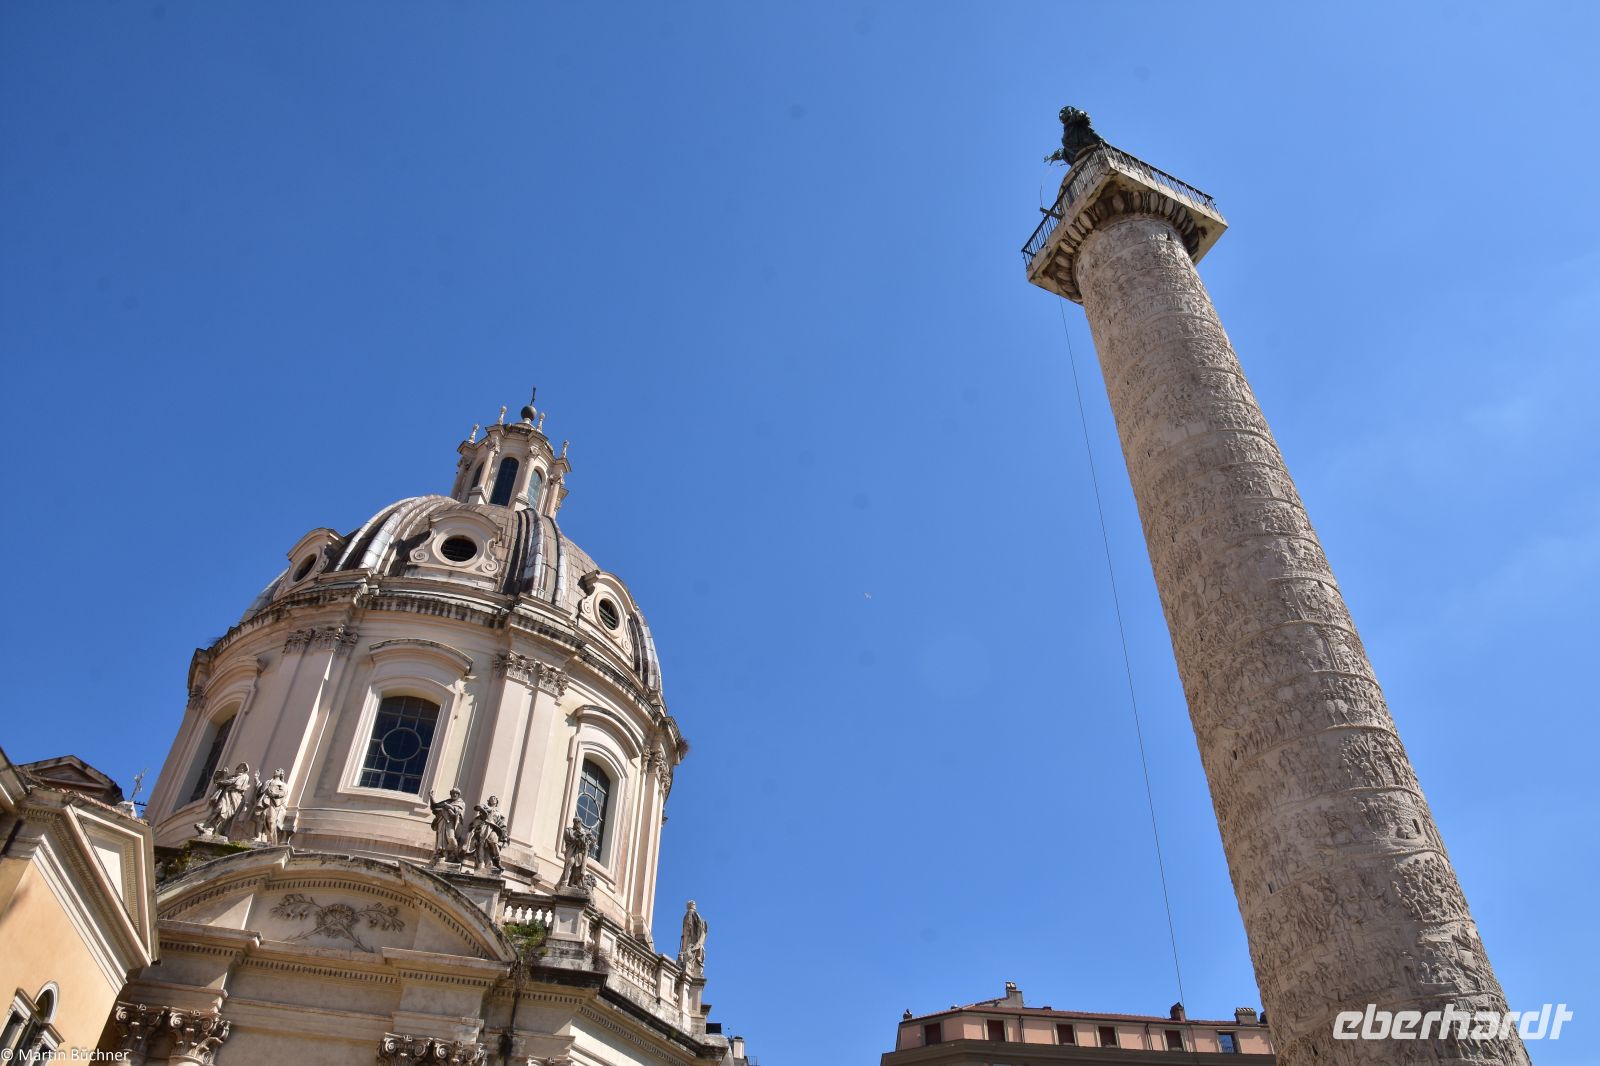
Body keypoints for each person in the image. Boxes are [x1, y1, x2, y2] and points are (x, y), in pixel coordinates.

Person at [195, 762, 251, 839]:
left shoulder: (245, 777)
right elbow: (229, 780)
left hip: (235, 798)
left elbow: (235, 783)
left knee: (225, 813)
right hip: (227, 795)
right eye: (239, 767)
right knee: (218, 808)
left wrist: (222, 782)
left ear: (245, 770)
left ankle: (216, 830)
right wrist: (224, 774)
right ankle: (208, 826)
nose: (240, 769)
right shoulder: (233, 777)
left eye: (242, 768)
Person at [464, 795, 507, 872]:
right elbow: (477, 807)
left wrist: (504, 835)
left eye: (494, 798)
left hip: (493, 828)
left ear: (496, 802)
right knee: (481, 843)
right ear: (489, 800)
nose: (493, 799)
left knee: (493, 842)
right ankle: (482, 863)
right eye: (491, 798)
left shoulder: (498, 813)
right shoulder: (485, 806)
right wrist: (483, 810)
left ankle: (497, 860)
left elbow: (502, 824)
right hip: (484, 826)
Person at [425, 787, 466, 864]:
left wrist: (449, 807)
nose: (454, 794)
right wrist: (431, 797)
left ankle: (453, 855)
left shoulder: (461, 803)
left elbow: (459, 813)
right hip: (442, 821)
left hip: (451, 823)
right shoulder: (447, 801)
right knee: (441, 838)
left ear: (458, 795)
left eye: (456, 793)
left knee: (451, 837)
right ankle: (443, 854)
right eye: (453, 793)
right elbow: (434, 806)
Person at [252, 768, 290, 845]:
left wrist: (274, 794)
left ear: (281, 773)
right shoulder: (268, 781)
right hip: (264, 801)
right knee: (260, 819)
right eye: (275, 770)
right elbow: (260, 788)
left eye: (278, 770)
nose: (275, 771)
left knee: (271, 821)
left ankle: (271, 840)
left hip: (273, 803)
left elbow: (283, 793)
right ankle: (258, 837)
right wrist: (256, 779)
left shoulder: (282, 784)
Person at [560, 816, 595, 889]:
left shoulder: (584, 832)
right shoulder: (569, 830)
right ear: (574, 823)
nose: (577, 824)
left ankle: (575, 882)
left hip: (579, 853)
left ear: (580, 823)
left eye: (578, 823)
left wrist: (586, 840)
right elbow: (569, 839)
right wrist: (577, 837)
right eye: (575, 822)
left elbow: (592, 841)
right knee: (570, 862)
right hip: (571, 851)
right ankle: (565, 881)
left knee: (578, 869)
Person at [679, 899, 708, 977]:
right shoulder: (691, 913)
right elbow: (691, 926)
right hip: (690, 937)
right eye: (693, 904)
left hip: (690, 937)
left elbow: (693, 925)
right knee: (687, 951)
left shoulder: (690, 913)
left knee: (687, 950)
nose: (694, 905)